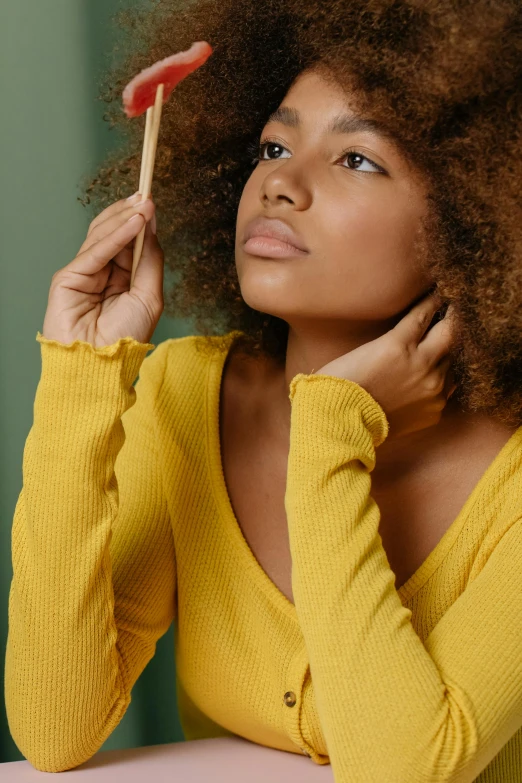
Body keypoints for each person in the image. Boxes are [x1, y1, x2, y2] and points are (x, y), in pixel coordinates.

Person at [5, 0, 522, 778]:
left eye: (357, 160)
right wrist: (82, 372)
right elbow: (54, 727)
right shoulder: (187, 395)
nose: (280, 180)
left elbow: (403, 769)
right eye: (274, 144)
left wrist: (331, 431)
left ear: (476, 218)